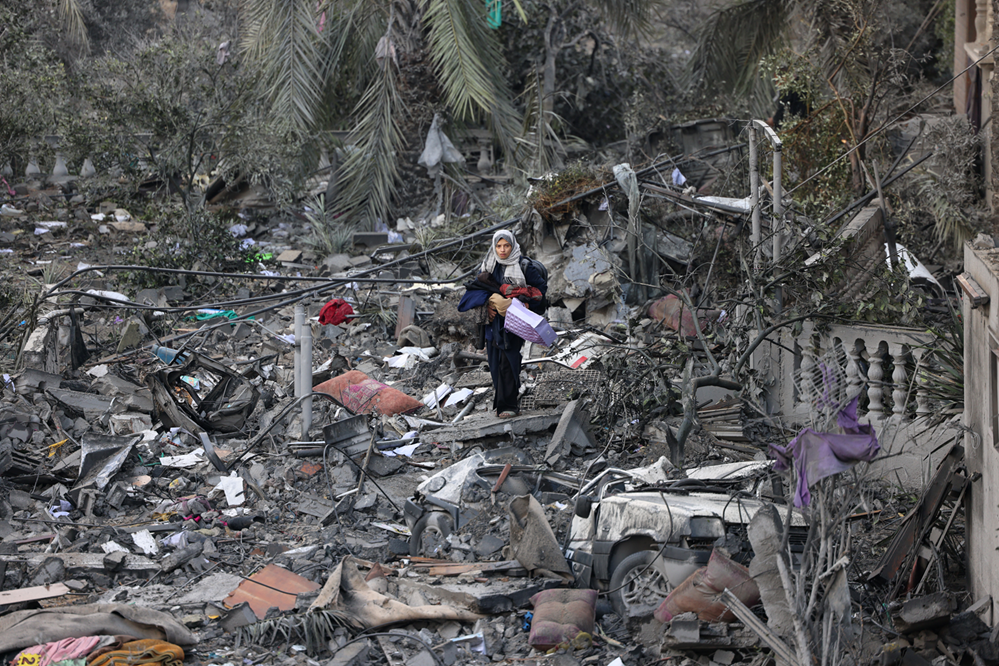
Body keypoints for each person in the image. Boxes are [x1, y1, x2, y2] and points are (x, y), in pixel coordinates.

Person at [458, 230, 548, 418]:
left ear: (512, 245)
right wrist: (491, 301)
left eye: (506, 245)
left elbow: (540, 292)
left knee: (509, 362)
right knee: (494, 363)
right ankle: (501, 403)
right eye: (499, 246)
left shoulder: (523, 266)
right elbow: (473, 291)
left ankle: (509, 406)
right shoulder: (488, 267)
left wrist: (523, 301)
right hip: (493, 325)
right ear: (494, 247)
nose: (502, 250)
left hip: (514, 323)